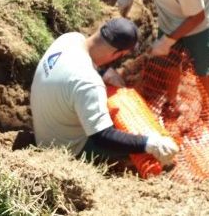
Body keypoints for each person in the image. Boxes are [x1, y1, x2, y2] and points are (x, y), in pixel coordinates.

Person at [30, 17, 179, 165]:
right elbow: (103, 137)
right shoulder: (88, 82)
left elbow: (71, 75)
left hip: (47, 130)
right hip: (63, 150)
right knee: (130, 135)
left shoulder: (70, 39)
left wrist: (103, 72)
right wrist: (148, 143)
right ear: (116, 54)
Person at [114, 0, 209, 119]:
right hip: (169, 13)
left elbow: (197, 17)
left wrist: (167, 41)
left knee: (202, 68)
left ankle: (207, 111)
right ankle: (171, 102)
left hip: (199, 18)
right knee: (169, 63)